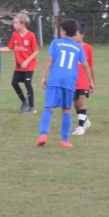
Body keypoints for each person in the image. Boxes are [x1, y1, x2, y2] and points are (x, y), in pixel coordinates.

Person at [36, 18, 86, 148]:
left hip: (55, 79)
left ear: (63, 31)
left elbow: (49, 59)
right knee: (67, 109)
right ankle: (64, 140)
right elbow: (85, 64)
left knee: (49, 107)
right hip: (70, 81)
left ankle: (43, 134)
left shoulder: (56, 43)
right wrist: (90, 81)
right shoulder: (78, 47)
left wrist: (43, 76)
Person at [7, 12, 39, 113]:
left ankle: (32, 107)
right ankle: (24, 101)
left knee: (27, 83)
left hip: (29, 65)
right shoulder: (14, 34)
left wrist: (26, 61)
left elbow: (36, 51)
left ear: (23, 24)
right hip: (19, 66)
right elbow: (9, 48)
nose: (14, 25)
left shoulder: (31, 35)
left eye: (16, 23)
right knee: (14, 83)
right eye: (13, 22)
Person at [72, 37, 96, 134]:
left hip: (84, 79)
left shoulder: (88, 48)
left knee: (82, 101)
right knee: (76, 104)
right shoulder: (71, 47)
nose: (74, 37)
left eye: (76, 35)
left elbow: (90, 66)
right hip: (73, 80)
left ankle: (81, 127)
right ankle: (85, 120)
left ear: (81, 35)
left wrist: (92, 81)